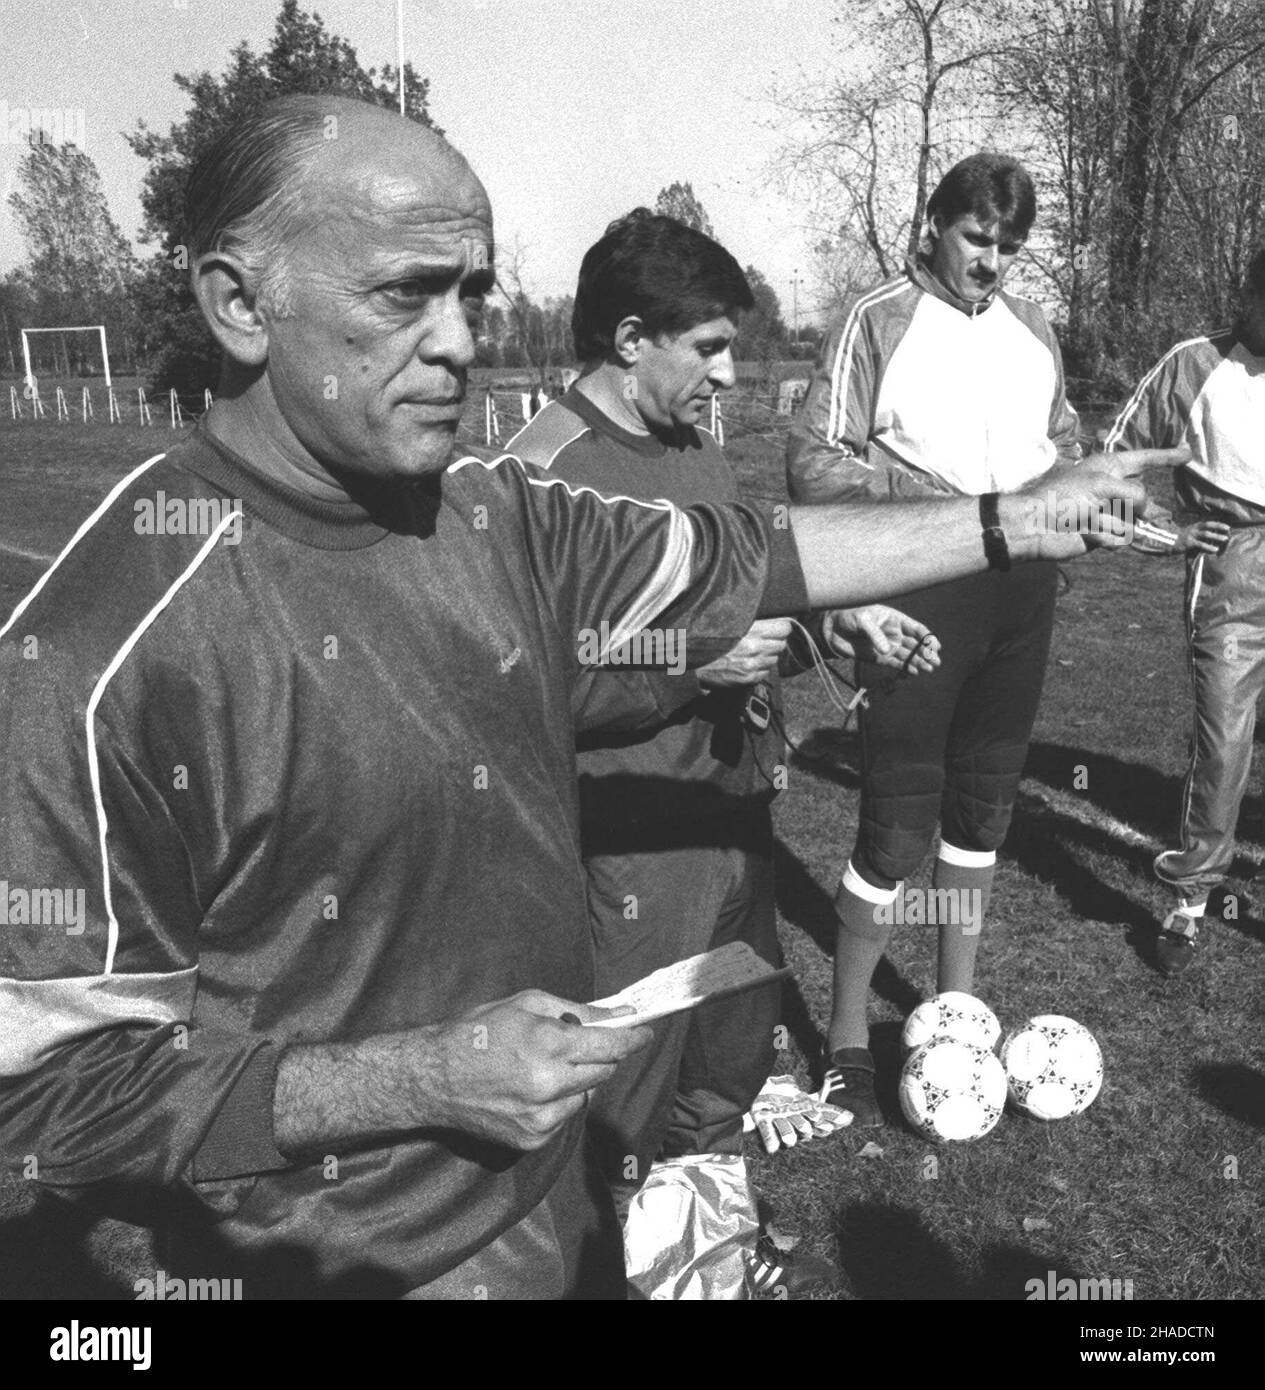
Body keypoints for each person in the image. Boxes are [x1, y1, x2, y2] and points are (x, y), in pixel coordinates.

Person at [0, 97, 1159, 1300]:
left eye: (474, 296)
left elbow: (749, 554)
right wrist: (420, 1080)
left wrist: (1018, 516)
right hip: (341, 1265)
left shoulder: (490, 516)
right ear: (239, 304)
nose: (458, 343)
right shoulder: (100, 646)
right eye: (406, 294)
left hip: (561, 1213)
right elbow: (44, 1097)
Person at [508, 208, 936, 1296]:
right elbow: (523, 679)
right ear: (627, 339)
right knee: (626, 1091)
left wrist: (829, 628)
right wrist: (692, 663)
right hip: (629, 842)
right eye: (707, 347)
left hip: (735, 816)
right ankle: (605, 1267)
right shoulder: (533, 474)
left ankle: (698, 1258)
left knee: (730, 1057)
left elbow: (749, 591)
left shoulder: (697, 449)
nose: (729, 372)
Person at [787, 153, 1089, 1128]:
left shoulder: (1032, 325)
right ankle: (841, 1041)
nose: (989, 262)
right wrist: (932, 515)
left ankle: (951, 1014)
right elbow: (813, 458)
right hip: (920, 597)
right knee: (896, 822)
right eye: (974, 239)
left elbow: (1066, 443)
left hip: (1018, 601)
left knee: (980, 812)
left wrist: (1063, 513)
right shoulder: (877, 317)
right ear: (933, 223)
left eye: (1007, 247)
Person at [1104, 249, 1265, 972]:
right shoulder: (1193, 365)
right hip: (1232, 574)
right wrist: (1167, 533)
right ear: (1245, 294)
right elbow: (1111, 461)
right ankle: (1190, 902)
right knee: (1224, 740)